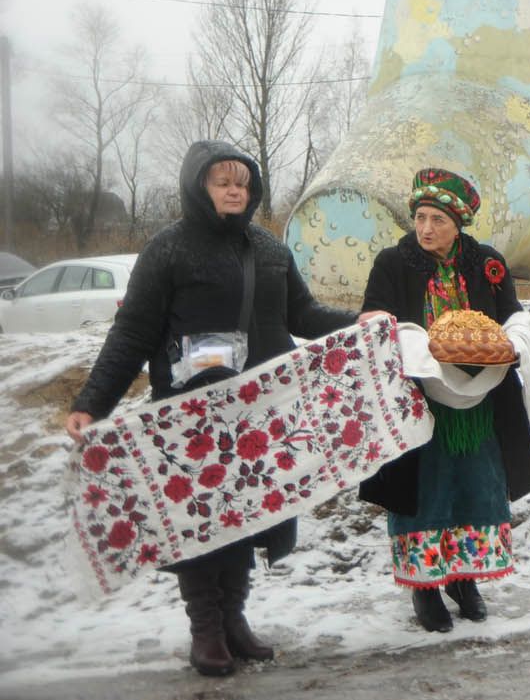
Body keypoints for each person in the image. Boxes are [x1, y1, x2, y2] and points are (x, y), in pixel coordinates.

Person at [65, 140, 360, 677]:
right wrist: (92, 403)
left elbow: (305, 314)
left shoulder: (270, 249)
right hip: (191, 417)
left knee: (247, 513)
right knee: (198, 518)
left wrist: (360, 323)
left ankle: (235, 620)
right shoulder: (168, 250)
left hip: (255, 415)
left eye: (243, 183)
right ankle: (206, 626)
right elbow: (132, 334)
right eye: (222, 181)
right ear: (199, 186)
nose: (233, 190)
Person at [357, 168, 530, 632]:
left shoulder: (486, 263)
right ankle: (425, 586)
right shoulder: (393, 263)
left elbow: (510, 316)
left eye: (437, 219)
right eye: (420, 217)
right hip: (419, 401)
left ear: (458, 223)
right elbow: (376, 319)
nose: (425, 228)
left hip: (482, 400)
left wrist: (516, 337)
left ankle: (464, 579)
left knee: (477, 486)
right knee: (426, 491)